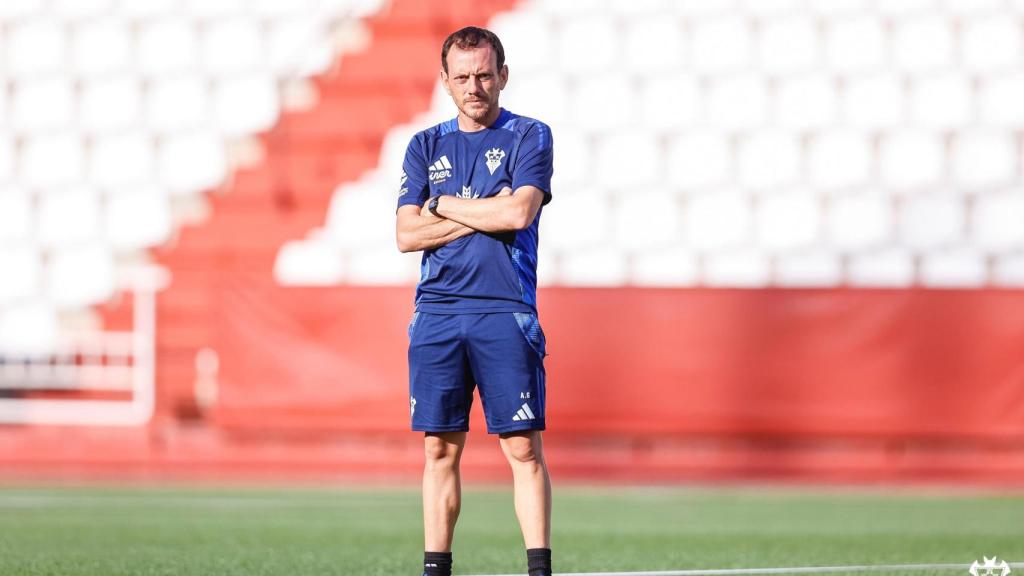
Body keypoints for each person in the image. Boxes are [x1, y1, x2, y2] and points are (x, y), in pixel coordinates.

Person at [395, 25, 554, 576]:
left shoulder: (530, 136)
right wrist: (478, 208)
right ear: (444, 81)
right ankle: (436, 569)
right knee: (439, 449)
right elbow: (406, 235)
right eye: (462, 76)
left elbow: (517, 214)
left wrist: (440, 206)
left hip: (505, 311)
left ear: (503, 76)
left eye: (484, 74)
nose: (474, 86)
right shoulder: (424, 145)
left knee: (523, 449)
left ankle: (538, 570)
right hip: (437, 313)